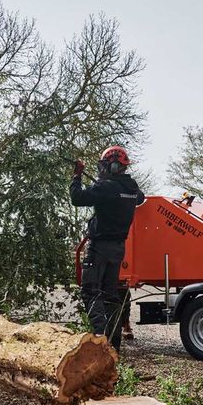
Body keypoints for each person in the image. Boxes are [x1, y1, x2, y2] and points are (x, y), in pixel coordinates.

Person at [70, 146, 144, 351]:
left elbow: (77, 198)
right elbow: (140, 197)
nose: (101, 170)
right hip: (118, 249)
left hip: (99, 248)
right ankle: (114, 345)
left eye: (103, 166)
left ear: (113, 166)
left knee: (90, 292)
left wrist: (77, 176)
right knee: (110, 296)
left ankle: (99, 337)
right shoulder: (132, 189)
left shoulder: (105, 187)